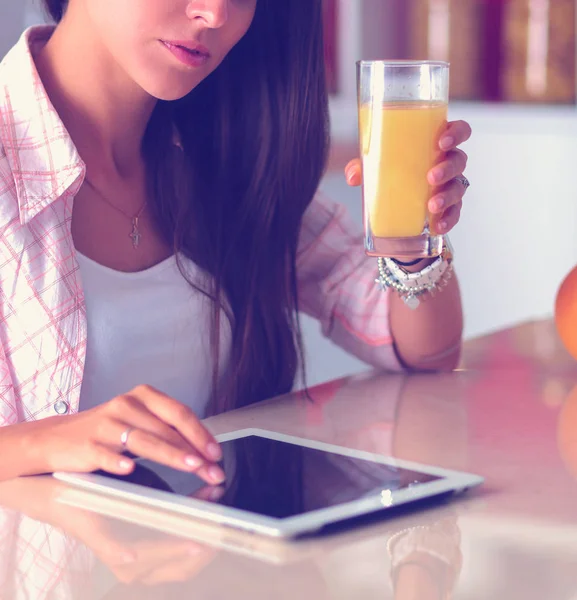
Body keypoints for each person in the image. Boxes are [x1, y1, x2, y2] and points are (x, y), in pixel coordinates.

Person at [0, 0, 471, 483]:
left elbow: (424, 350)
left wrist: (414, 229)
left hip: (211, 553)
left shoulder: (221, 160)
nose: (217, 13)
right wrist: (44, 442)